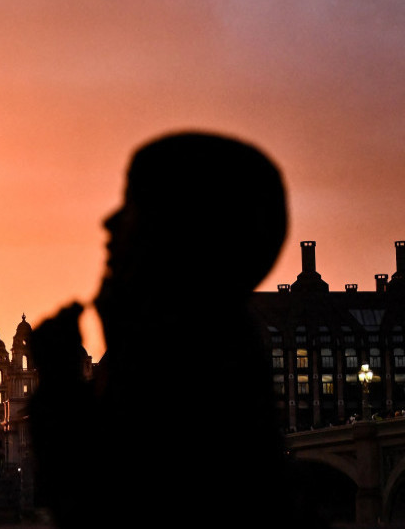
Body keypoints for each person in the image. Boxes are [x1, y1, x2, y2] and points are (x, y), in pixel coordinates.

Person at [29, 131, 315, 528]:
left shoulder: (188, 362)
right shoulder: (215, 346)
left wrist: (59, 390)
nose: (108, 221)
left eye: (133, 205)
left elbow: (118, 504)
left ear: (181, 233)